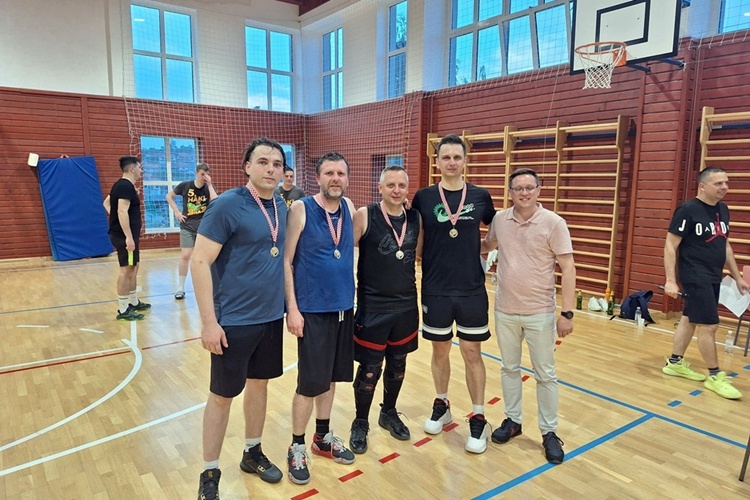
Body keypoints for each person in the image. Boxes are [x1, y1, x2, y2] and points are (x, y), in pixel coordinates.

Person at [191, 139, 287, 500]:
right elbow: (200, 261)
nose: (270, 169)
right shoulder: (228, 204)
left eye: (277, 164)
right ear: (247, 167)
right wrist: (209, 322)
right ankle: (209, 472)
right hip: (233, 320)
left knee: (259, 386)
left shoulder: (281, 205)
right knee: (221, 396)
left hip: (270, 317)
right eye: (262, 162)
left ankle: (252, 452)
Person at [481, 167, 575, 465]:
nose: (524, 193)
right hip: (505, 310)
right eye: (518, 188)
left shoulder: (554, 223)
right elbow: (487, 246)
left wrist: (567, 313)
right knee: (509, 368)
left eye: (529, 188)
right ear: (510, 192)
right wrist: (451, 240)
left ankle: (549, 432)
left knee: (545, 374)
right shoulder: (500, 220)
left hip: (540, 312)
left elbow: (568, 268)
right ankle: (513, 420)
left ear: (538, 190)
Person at [411, 134, 496, 454]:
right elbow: (418, 234)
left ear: (465, 161)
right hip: (436, 288)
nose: (451, 162)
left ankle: (479, 415)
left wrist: (484, 247)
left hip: (472, 288)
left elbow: (497, 227)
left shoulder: (480, 195)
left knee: (472, 352)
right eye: (445, 157)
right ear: (437, 162)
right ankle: (442, 404)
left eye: (456, 157)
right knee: (440, 351)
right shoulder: (424, 196)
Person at [284, 152, 357, 484]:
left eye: (340, 173)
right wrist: (293, 308)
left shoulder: (350, 208)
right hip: (312, 310)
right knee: (309, 383)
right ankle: (297, 445)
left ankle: (322, 437)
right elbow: (286, 261)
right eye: (329, 173)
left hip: (343, 308)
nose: (335, 178)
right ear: (317, 178)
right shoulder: (301, 209)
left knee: (331, 378)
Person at [348, 165, 422, 454]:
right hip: (373, 306)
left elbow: (420, 254)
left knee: (398, 365)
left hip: (406, 306)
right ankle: (360, 421)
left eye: (401, 185)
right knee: (369, 370)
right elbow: (341, 252)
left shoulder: (415, 217)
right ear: (380, 188)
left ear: (407, 189)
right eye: (390, 185)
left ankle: (388, 412)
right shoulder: (365, 215)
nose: (396, 190)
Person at [662, 166, 748, 400]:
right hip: (694, 274)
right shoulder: (687, 210)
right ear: (702, 186)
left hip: (713, 275)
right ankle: (714, 375)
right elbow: (670, 245)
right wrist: (670, 280)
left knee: (690, 318)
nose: (724, 187)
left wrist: (737, 276)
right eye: (718, 183)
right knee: (709, 325)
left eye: (726, 183)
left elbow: (725, 244)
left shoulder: (723, 209)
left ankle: (674, 363)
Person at [105, 156, 151, 321]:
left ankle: (133, 301)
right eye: (139, 167)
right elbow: (121, 211)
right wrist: (128, 237)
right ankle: (123, 308)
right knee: (126, 270)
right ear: (132, 168)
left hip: (126, 235)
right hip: (124, 237)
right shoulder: (124, 186)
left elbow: (106, 203)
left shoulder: (124, 186)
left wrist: (114, 220)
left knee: (133, 267)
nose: (141, 170)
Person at [166, 162, 218, 300]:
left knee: (206, 257)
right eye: (202, 174)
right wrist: (177, 212)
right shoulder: (185, 185)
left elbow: (216, 201)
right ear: (196, 173)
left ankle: (210, 287)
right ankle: (180, 288)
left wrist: (210, 184)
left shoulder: (208, 187)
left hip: (204, 228)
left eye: (207, 174)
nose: (204, 177)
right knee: (185, 255)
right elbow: (169, 196)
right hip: (187, 226)